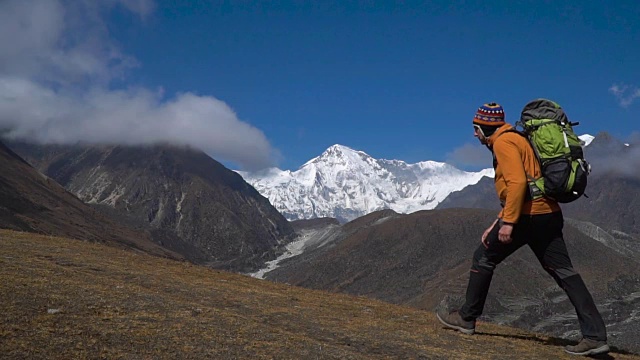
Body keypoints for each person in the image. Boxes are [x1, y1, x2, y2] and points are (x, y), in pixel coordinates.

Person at [436, 102, 609, 356]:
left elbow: (517, 183)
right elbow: (528, 183)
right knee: (565, 273)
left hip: (527, 217)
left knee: (483, 258)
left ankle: (466, 318)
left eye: (476, 128)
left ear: (485, 127)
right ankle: (594, 335)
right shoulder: (519, 139)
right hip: (548, 214)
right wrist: (498, 220)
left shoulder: (503, 143)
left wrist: (508, 223)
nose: (474, 134)